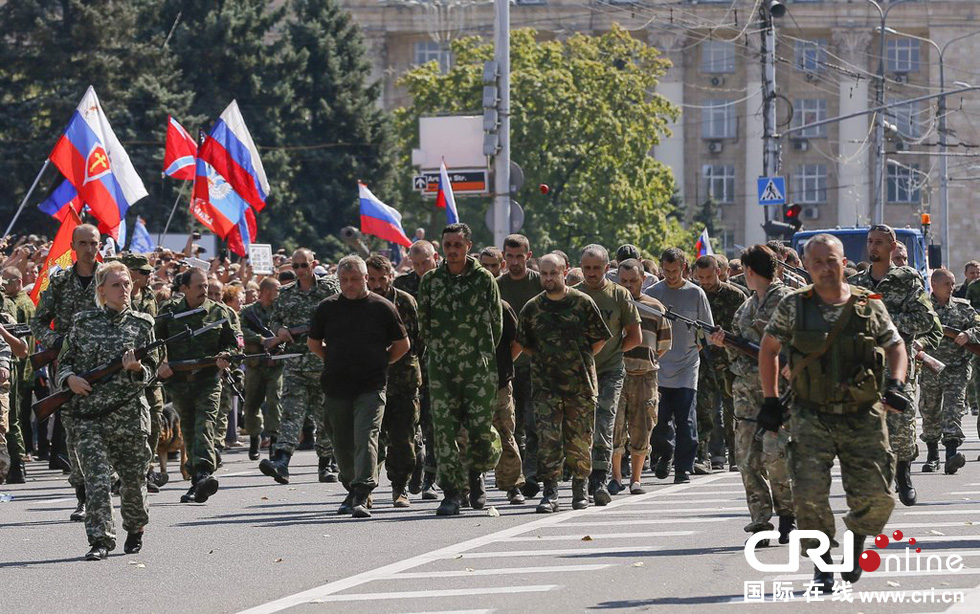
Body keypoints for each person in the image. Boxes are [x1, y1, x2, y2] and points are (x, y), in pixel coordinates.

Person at [760, 233, 908, 592]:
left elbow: (896, 345)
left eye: (832, 261)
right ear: (807, 267)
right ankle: (823, 565)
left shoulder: (868, 304)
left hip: (863, 414)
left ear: (844, 263)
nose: (826, 269)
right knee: (809, 495)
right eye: (817, 263)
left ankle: (857, 543)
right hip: (811, 414)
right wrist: (770, 399)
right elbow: (769, 348)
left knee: (876, 493)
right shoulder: (794, 305)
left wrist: (897, 384)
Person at [56, 261, 157, 560]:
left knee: (134, 481)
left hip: (129, 416)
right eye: (116, 284)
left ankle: (136, 527)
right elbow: (64, 362)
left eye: (127, 283)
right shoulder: (83, 323)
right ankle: (100, 540)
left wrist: (138, 368)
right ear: (101, 290)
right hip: (89, 417)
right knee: (97, 479)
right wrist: (69, 379)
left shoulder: (143, 325)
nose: (124, 289)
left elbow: (153, 370)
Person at [308, 256, 409, 518]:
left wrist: (381, 362)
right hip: (337, 385)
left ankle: (361, 491)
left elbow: (402, 345)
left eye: (354, 279)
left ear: (366, 278)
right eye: (344, 280)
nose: (349, 285)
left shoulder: (382, 307)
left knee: (366, 436)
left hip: (371, 385)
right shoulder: (326, 308)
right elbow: (314, 343)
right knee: (342, 442)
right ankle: (352, 485)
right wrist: (332, 358)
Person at [708, 245, 795, 546]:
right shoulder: (745, 308)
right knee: (746, 459)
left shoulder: (786, 301)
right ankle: (760, 520)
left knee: (777, 456)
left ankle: (787, 514)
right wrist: (725, 344)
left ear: (749, 271)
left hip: (780, 394)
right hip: (746, 393)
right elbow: (740, 345)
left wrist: (792, 363)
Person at [848, 224, 940, 506]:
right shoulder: (857, 284)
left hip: (899, 367)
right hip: (864, 366)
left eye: (879, 242)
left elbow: (927, 321)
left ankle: (903, 473)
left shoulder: (907, 279)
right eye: (870, 241)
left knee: (901, 427)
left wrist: (886, 321)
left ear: (891, 246)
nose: (873, 246)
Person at [418, 223, 503, 516]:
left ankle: (476, 475)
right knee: (444, 431)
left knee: (480, 429)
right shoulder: (431, 280)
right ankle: (452, 492)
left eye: (457, 244)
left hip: (478, 369)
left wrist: (479, 353)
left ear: (468, 245)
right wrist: (441, 352)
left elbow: (497, 325)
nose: (451, 250)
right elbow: (423, 323)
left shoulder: (483, 280)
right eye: (447, 245)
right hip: (442, 369)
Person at [518, 254, 610, 511]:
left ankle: (580, 489)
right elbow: (525, 344)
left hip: (579, 386)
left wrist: (577, 359)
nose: (548, 278)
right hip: (546, 387)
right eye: (544, 273)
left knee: (580, 439)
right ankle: (551, 492)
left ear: (565, 271)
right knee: (548, 440)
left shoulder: (582, 303)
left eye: (553, 273)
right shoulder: (533, 308)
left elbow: (599, 339)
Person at [31, 224, 102, 521]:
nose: (88, 249)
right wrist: (56, 342)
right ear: (73, 246)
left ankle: (106, 489)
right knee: (74, 433)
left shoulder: (110, 278)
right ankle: (83, 496)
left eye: (93, 243)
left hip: (104, 365)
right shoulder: (59, 283)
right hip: (69, 366)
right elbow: (38, 323)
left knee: (105, 431)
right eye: (83, 243)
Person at [156, 268, 241, 504]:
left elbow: (236, 343)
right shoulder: (169, 312)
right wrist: (161, 363)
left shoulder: (221, 312)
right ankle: (197, 481)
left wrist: (227, 355)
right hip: (180, 381)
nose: (205, 291)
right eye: (199, 287)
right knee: (190, 429)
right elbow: (154, 343)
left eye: (206, 286)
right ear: (184, 289)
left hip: (208, 379)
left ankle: (203, 472)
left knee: (205, 424)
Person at [260, 249, 340, 485]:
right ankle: (282, 461)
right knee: (291, 415)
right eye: (295, 267)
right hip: (295, 363)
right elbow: (275, 319)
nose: (299, 271)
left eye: (303, 265)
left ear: (313, 264)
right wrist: (280, 331)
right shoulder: (285, 294)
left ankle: (326, 463)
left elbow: (341, 314)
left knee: (325, 418)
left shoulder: (328, 289)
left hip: (323, 363)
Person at [573, 245, 641, 504]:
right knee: (581, 425)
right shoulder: (574, 296)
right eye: (587, 268)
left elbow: (634, 337)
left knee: (604, 422)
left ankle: (599, 479)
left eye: (596, 268)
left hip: (610, 370)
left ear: (606, 268)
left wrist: (613, 350)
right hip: (580, 371)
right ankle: (580, 475)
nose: (591, 273)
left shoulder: (619, 295)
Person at [645, 248, 713, 484]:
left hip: (686, 366)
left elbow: (706, 331)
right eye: (666, 270)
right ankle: (665, 454)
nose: (671, 275)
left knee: (686, 420)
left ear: (683, 267)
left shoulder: (696, 293)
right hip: (659, 367)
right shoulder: (653, 293)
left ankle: (683, 468)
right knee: (659, 420)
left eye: (675, 271)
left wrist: (695, 350)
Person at [365, 255, 421, 507]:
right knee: (371, 437)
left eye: (381, 278)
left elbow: (418, 340)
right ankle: (365, 487)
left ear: (390, 276)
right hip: (370, 379)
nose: (377, 284)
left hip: (403, 380)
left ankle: (400, 487)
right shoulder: (362, 304)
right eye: (372, 279)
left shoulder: (406, 302)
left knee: (402, 437)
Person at [611, 259, 671, 495]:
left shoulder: (655, 307)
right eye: (623, 281)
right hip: (616, 373)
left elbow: (664, 344)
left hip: (645, 375)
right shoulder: (613, 304)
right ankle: (616, 476)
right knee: (615, 426)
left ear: (643, 280)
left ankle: (636, 479)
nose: (628, 286)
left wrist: (646, 357)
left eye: (633, 281)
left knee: (642, 426)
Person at [495, 234, 543, 499]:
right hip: (507, 366)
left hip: (535, 365)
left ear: (528, 255)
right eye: (509, 256)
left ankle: (533, 475)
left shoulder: (539, 283)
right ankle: (516, 480)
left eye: (519, 256)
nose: (514, 262)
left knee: (534, 423)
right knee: (511, 427)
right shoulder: (496, 286)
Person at [919, 268, 980, 474]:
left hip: (957, 369)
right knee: (930, 412)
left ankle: (951, 455)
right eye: (947, 284)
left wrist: (968, 333)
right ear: (934, 285)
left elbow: (978, 325)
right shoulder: (923, 308)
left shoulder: (963, 308)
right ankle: (932, 455)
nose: (952, 288)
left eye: (953, 283)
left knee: (953, 411)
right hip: (930, 368)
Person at [479, 247, 526, 504]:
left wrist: (505, 366)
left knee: (506, 433)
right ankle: (473, 485)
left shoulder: (502, 306)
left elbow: (516, 343)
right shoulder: (467, 304)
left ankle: (512, 485)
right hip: (472, 383)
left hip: (499, 382)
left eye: (492, 267)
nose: (487, 273)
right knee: (470, 435)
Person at [394, 239, 439, 498]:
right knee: (412, 422)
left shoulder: (445, 281)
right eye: (417, 263)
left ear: (435, 257)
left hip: (438, 363)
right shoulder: (403, 287)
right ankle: (416, 470)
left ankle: (430, 478)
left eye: (426, 262)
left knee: (432, 423)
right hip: (410, 364)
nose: (422, 268)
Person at [692, 255, 746, 474]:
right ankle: (702, 457)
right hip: (703, 360)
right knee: (703, 410)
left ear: (719, 272)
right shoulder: (694, 294)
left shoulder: (735, 295)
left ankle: (735, 455)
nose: (705, 281)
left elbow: (746, 328)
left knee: (733, 410)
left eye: (708, 276)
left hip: (730, 360)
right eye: (700, 277)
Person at [120, 254, 165, 493]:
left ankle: (146, 471)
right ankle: (121, 474)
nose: (149, 276)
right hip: (123, 370)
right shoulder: (117, 297)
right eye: (144, 272)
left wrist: (161, 360)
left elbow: (155, 333)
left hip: (149, 368)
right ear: (131, 272)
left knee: (154, 420)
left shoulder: (149, 297)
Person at [239, 277, 284, 461]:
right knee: (252, 403)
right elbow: (240, 331)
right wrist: (261, 339)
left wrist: (278, 339)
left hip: (276, 364)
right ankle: (254, 439)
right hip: (255, 364)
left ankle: (274, 441)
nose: (279, 293)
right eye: (277, 289)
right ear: (266, 291)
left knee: (275, 400)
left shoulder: (280, 311)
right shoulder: (248, 312)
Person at [2, 267, 34, 484]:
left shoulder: (6, 316)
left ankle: (16, 465)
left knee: (10, 419)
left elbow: (23, 349)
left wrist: (2, 331)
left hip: (8, 370)